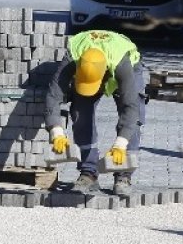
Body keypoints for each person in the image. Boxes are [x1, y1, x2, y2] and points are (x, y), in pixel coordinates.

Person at [45, 29, 147, 196]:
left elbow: (131, 108)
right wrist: (56, 131)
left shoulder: (121, 63)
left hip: (127, 66)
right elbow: (53, 95)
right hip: (88, 66)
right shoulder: (73, 57)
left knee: (134, 119)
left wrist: (120, 144)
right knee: (79, 111)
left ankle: (123, 175)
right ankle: (88, 172)